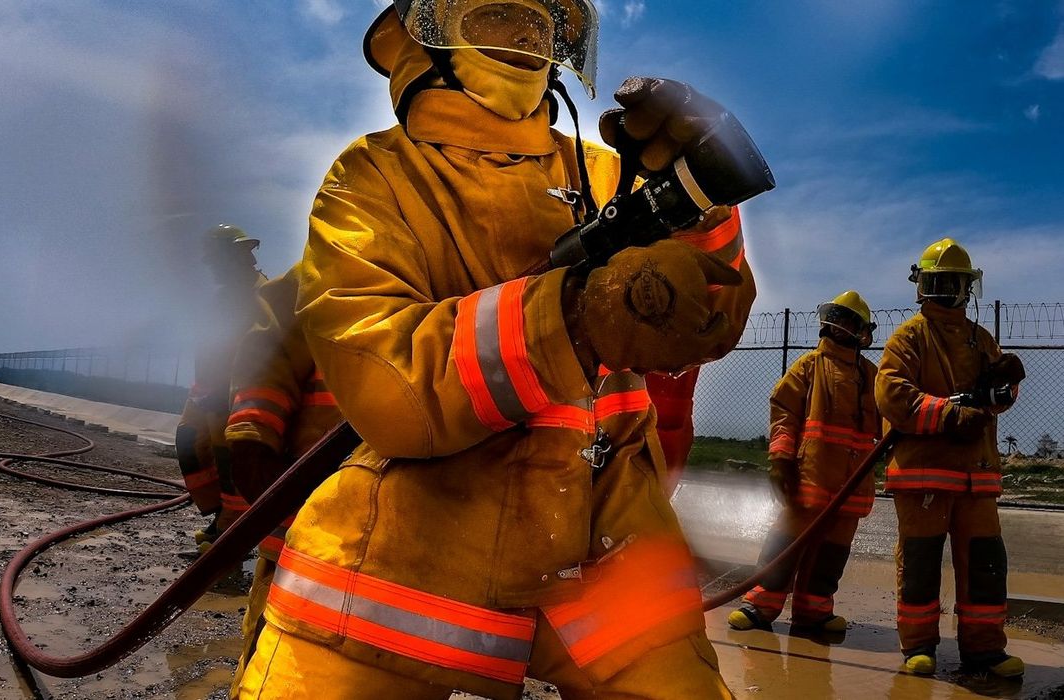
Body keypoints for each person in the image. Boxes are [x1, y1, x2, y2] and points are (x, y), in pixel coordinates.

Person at [236, 3, 759, 698]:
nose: (522, 38)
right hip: (404, 554)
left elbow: (711, 321)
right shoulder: (373, 178)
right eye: (495, 16)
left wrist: (700, 213)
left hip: (601, 535)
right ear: (434, 37)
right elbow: (390, 388)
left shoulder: (607, 178)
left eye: (541, 25)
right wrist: (573, 317)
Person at [876, 237, 1025, 678]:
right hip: (924, 475)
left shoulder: (981, 340)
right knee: (920, 562)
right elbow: (892, 395)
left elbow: (993, 401)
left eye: (956, 283)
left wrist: (1004, 389)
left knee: (986, 565)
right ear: (924, 286)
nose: (951, 292)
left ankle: (985, 651)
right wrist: (948, 414)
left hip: (977, 478)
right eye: (943, 282)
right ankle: (918, 646)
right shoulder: (909, 338)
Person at [219, 264, 344, 692]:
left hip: (417, 536)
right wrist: (254, 432)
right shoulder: (336, 254)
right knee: (274, 657)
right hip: (305, 516)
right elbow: (270, 349)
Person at [727, 291, 879, 634]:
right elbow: (784, 413)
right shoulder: (810, 366)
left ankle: (814, 613)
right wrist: (780, 458)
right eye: (835, 318)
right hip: (810, 478)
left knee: (832, 555)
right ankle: (759, 607)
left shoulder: (872, 376)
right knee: (785, 543)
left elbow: (891, 418)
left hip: (852, 487)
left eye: (846, 320)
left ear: (861, 331)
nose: (838, 325)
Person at [176, 224, 265, 550]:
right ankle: (219, 516)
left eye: (215, 260)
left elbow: (266, 349)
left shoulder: (263, 294)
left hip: (235, 394)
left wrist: (235, 391)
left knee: (229, 460)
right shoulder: (224, 296)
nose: (211, 267)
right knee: (189, 441)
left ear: (235, 256)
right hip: (208, 390)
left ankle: (229, 531)